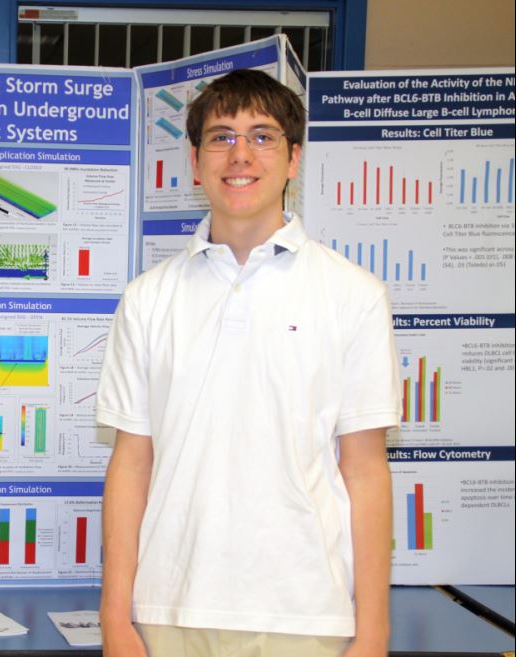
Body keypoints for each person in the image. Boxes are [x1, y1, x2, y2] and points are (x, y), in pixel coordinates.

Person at [96, 69, 399, 657]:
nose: (241, 155)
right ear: (194, 161)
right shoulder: (147, 298)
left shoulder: (353, 294)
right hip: (167, 611)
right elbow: (131, 463)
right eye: (221, 137)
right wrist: (114, 617)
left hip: (306, 617)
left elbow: (365, 470)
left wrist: (374, 631)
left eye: (262, 136)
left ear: (293, 159)